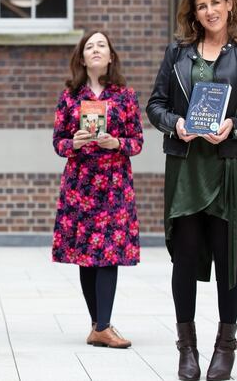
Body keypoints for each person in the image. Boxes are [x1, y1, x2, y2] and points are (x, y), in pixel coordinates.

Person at [146, 0, 237, 381]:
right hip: (186, 169)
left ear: (229, 4)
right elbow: (156, 105)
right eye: (202, 6)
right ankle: (187, 350)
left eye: (216, 2)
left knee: (228, 261)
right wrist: (176, 124)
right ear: (194, 14)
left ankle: (225, 348)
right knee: (184, 261)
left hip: (228, 168)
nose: (210, 10)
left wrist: (234, 126)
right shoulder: (178, 54)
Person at [51, 30, 143, 349]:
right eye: (89, 46)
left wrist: (116, 142)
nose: (95, 49)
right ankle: (97, 326)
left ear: (111, 55)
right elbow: (58, 142)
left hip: (114, 183)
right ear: (81, 57)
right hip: (80, 184)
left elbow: (137, 142)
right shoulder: (70, 96)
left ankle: (103, 325)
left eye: (101, 45)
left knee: (108, 254)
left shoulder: (125, 95)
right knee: (87, 256)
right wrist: (72, 142)